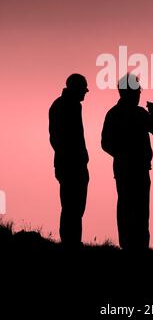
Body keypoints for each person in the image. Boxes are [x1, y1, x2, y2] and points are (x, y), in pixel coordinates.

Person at [101, 73, 153, 250]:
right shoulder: (117, 114)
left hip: (138, 168)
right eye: (137, 91)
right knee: (129, 207)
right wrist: (124, 156)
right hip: (127, 169)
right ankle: (130, 247)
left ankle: (138, 247)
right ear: (127, 92)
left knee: (139, 209)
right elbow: (106, 143)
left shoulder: (138, 114)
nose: (139, 94)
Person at [49, 73, 89, 247]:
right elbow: (56, 138)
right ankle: (70, 243)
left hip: (75, 163)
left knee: (75, 206)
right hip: (70, 164)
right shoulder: (63, 106)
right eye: (83, 89)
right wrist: (70, 158)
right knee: (71, 206)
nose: (85, 92)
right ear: (76, 88)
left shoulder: (70, 105)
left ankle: (72, 241)